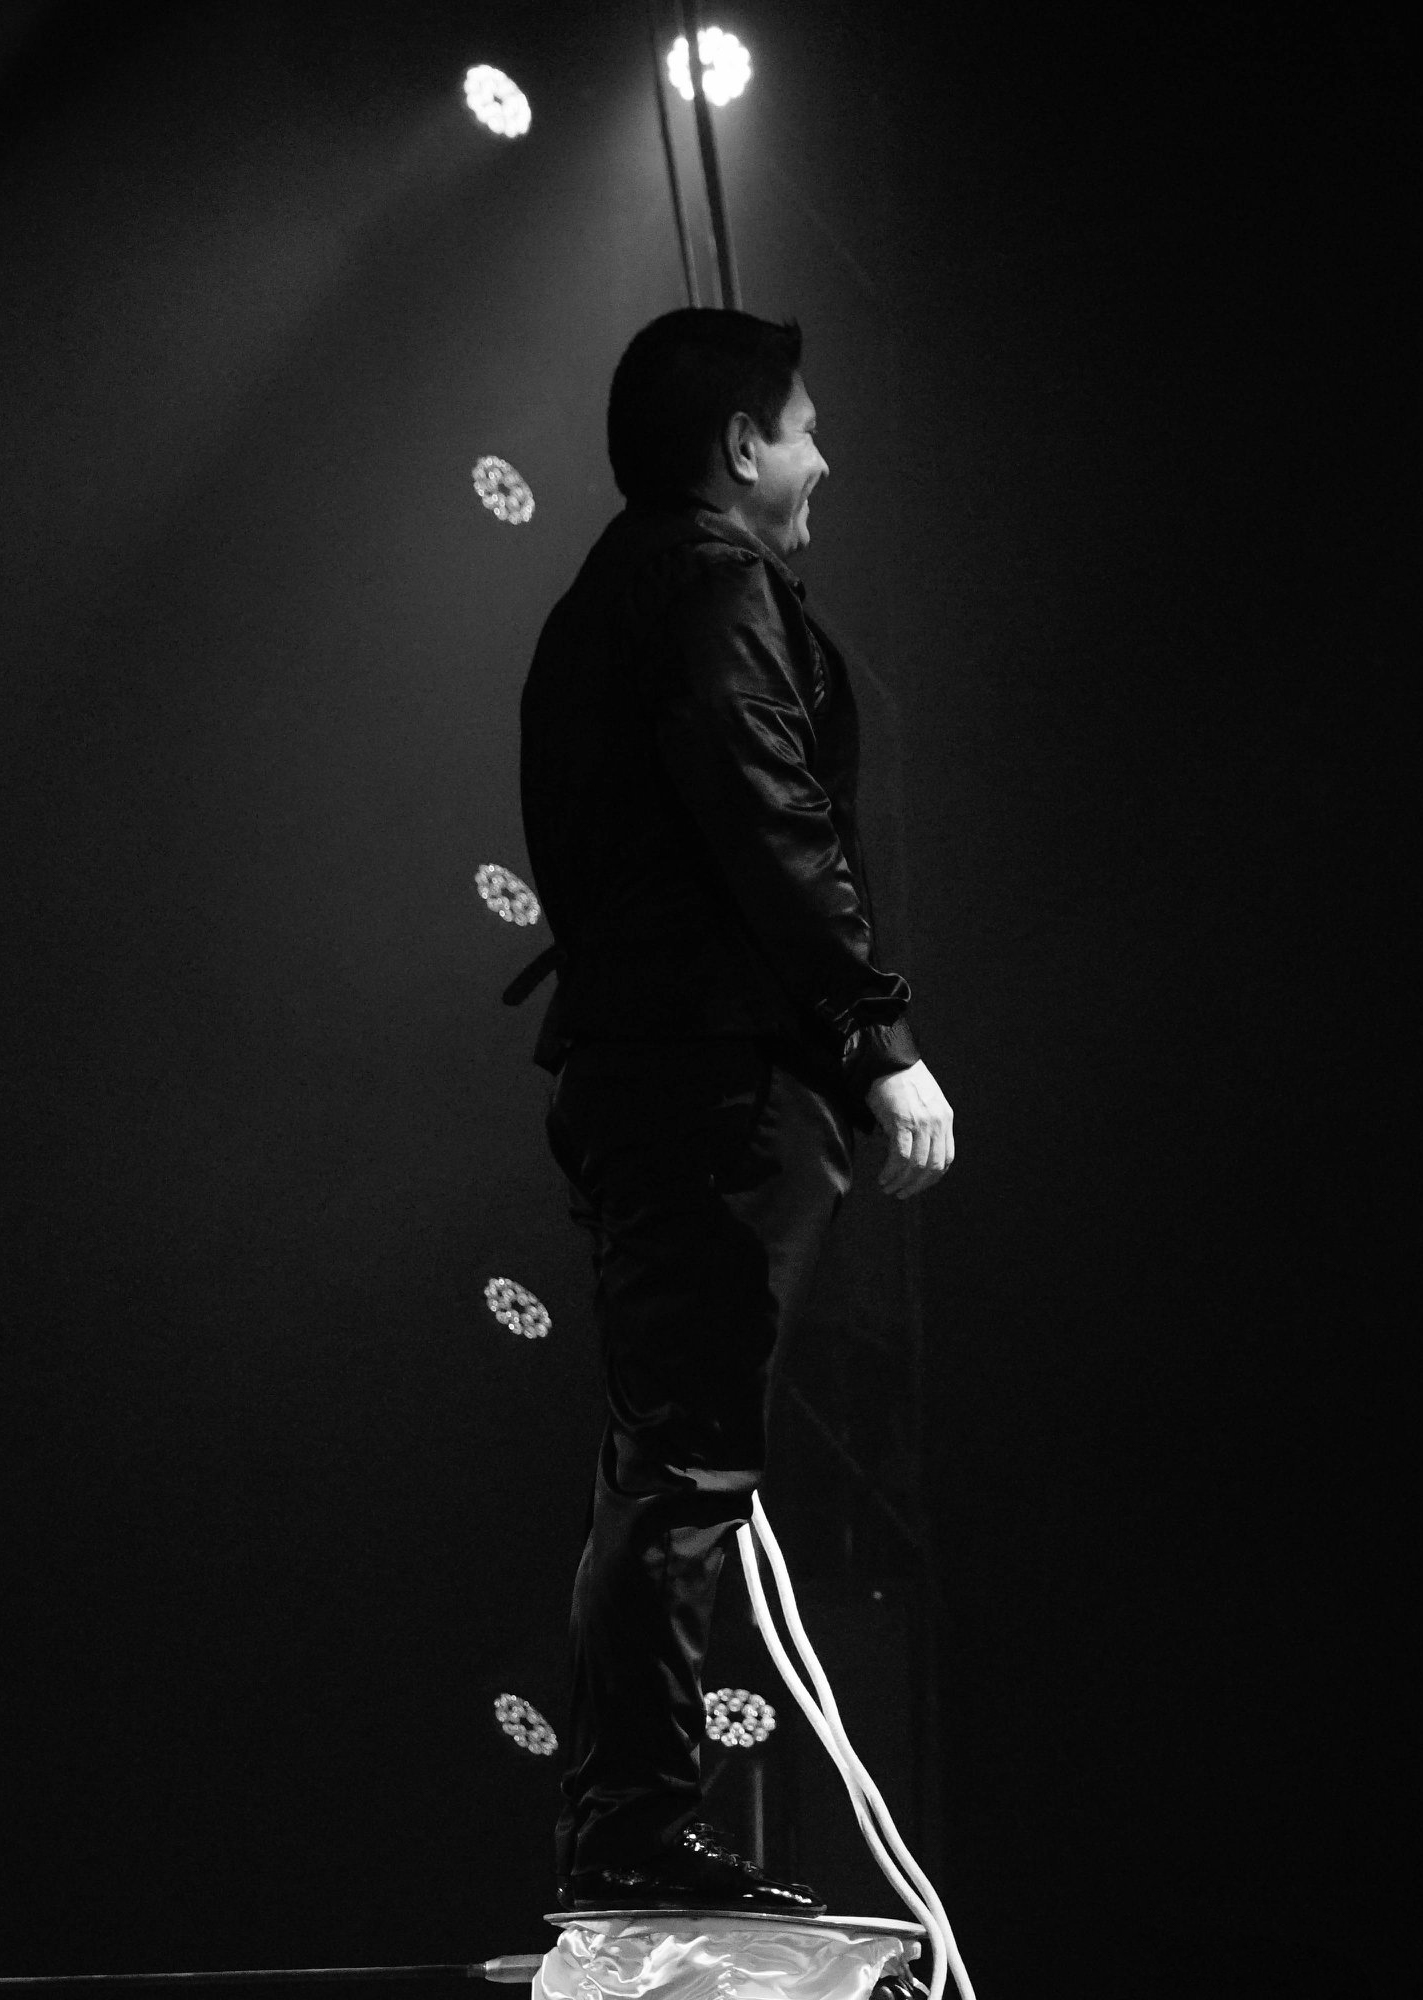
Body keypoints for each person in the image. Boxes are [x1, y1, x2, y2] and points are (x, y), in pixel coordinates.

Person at [507, 308, 955, 1914]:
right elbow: (771, 814)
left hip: (645, 1069)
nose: (825, 456)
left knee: (667, 1457)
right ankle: (636, 1831)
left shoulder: (601, 600)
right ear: (740, 442)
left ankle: (630, 1820)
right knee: (686, 1462)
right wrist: (877, 1040)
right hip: (708, 1075)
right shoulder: (708, 587)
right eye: (806, 427)